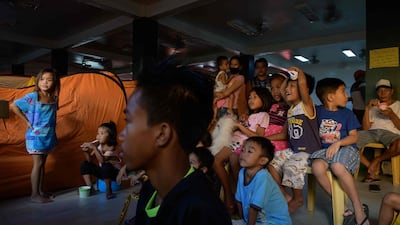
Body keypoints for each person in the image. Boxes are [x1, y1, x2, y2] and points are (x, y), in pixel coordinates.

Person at [118, 60, 232, 225]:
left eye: (128, 121)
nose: (121, 136)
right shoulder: (150, 190)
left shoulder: (201, 213)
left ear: (162, 133)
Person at [309, 77, 369, 225]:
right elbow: (303, 102)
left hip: (347, 148)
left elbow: (354, 137)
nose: (346, 95)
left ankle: (358, 207)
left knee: (337, 166)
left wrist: (339, 143)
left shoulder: (347, 114)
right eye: (342, 91)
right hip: (326, 151)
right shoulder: (317, 112)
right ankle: (340, 204)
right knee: (316, 166)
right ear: (330, 97)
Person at [267, 67, 320, 213]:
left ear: (305, 90)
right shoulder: (291, 109)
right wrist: (288, 78)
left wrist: (299, 72)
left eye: (292, 86)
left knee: (292, 165)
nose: (287, 89)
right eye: (288, 86)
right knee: (270, 163)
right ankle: (284, 196)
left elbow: (302, 85)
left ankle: (298, 199)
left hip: (309, 151)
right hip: (294, 150)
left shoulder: (307, 106)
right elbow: (284, 134)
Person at [212, 86, 272, 214]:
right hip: (233, 141)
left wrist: (239, 125)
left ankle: (232, 197)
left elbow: (259, 136)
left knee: (222, 161)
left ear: (264, 99)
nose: (251, 100)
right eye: (249, 97)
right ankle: (231, 196)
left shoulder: (263, 115)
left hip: (242, 144)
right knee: (215, 160)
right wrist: (237, 123)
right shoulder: (249, 116)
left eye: (255, 97)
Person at [9, 68, 60, 203]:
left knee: (42, 164)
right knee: (37, 164)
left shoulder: (54, 98)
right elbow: (13, 106)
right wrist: (26, 121)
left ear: (54, 83)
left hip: (48, 136)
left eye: (49, 80)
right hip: (35, 137)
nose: (45, 82)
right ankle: (34, 195)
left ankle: (41, 191)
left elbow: (52, 117)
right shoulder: (33, 97)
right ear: (38, 81)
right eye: (42, 79)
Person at [235, 136, 291, 225]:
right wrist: (243, 221)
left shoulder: (263, 177)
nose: (243, 154)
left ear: (263, 160)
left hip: (274, 222)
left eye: (250, 151)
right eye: (243, 150)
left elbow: (254, 208)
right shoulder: (242, 172)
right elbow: (239, 201)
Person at [357, 79, 400, 182]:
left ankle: (377, 160)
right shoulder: (374, 106)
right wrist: (367, 108)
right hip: (372, 132)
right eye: (380, 90)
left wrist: (391, 115)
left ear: (392, 92)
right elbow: (365, 128)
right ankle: (370, 167)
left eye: (386, 90)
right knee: (347, 140)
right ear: (377, 93)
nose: (383, 93)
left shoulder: (398, 105)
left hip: (391, 134)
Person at [80, 121, 122, 200]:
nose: (98, 136)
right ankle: (90, 188)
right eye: (98, 133)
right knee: (85, 164)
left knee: (106, 165)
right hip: (104, 173)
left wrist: (94, 148)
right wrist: (85, 152)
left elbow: (103, 160)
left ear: (110, 136)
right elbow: (90, 160)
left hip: (114, 174)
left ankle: (109, 191)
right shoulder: (99, 146)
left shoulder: (112, 147)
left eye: (102, 134)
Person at [264, 72, 290, 185]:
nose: (275, 91)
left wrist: (265, 138)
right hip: (268, 139)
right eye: (272, 88)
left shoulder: (289, 108)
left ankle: (281, 192)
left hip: (279, 143)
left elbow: (284, 134)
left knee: (270, 164)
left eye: (279, 87)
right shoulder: (272, 106)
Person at [214, 55, 246, 120]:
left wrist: (216, 94)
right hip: (222, 106)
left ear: (240, 67)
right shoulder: (228, 77)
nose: (232, 66)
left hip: (231, 109)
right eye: (231, 64)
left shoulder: (240, 78)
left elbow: (226, 92)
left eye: (235, 64)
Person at [213, 55, 233, 122]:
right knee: (231, 95)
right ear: (220, 66)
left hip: (218, 90)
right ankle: (230, 109)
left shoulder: (221, 73)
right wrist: (231, 78)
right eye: (226, 64)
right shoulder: (223, 73)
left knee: (216, 105)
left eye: (228, 63)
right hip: (220, 90)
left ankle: (214, 117)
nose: (228, 65)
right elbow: (224, 82)